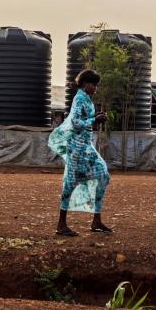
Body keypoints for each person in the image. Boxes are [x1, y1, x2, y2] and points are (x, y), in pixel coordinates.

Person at [48, 69, 112, 236]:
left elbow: (82, 120)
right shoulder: (79, 98)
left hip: (85, 145)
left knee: (103, 174)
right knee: (70, 182)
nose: (95, 88)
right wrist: (94, 119)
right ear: (85, 84)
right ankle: (61, 224)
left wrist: (95, 117)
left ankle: (96, 220)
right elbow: (76, 122)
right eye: (94, 85)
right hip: (77, 147)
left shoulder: (86, 98)